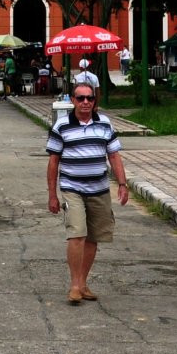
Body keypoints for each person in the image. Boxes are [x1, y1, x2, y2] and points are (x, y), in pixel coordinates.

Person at [46, 83, 129, 304]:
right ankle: (74, 286)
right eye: (81, 98)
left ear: (94, 101)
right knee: (77, 233)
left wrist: (122, 183)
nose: (85, 103)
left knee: (93, 238)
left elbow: (114, 156)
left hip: (99, 189)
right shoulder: (62, 126)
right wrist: (52, 195)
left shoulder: (104, 124)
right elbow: (53, 162)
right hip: (72, 187)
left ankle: (83, 283)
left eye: (89, 98)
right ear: (72, 100)